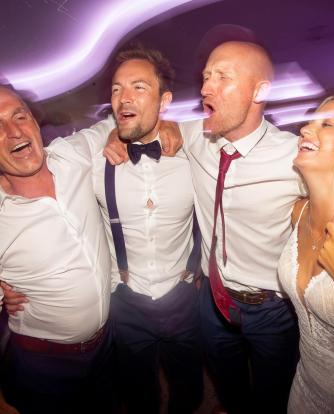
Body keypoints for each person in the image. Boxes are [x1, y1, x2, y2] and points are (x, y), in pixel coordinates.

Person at [103, 40, 306, 414]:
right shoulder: (195, 136)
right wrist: (115, 133)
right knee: (226, 383)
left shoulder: (293, 156)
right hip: (211, 302)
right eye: (206, 77)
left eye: (222, 77)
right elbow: (147, 125)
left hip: (271, 308)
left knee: (273, 393)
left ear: (260, 90)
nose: (205, 88)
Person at [3, 47, 203, 414]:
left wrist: (171, 126)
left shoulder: (195, 150)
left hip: (184, 296)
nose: (123, 97)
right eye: (115, 89)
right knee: (137, 393)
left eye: (138, 87)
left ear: (165, 101)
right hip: (124, 304)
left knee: (188, 387)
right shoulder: (90, 161)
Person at [0, 85, 117, 414]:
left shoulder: (72, 154)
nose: (13, 132)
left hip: (106, 346)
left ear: (35, 123)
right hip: (43, 365)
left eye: (19, 116)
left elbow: (122, 120)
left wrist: (165, 127)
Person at [278, 94, 334, 413]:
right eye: (309, 122)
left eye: (327, 123)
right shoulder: (298, 212)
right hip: (305, 388)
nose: (305, 129)